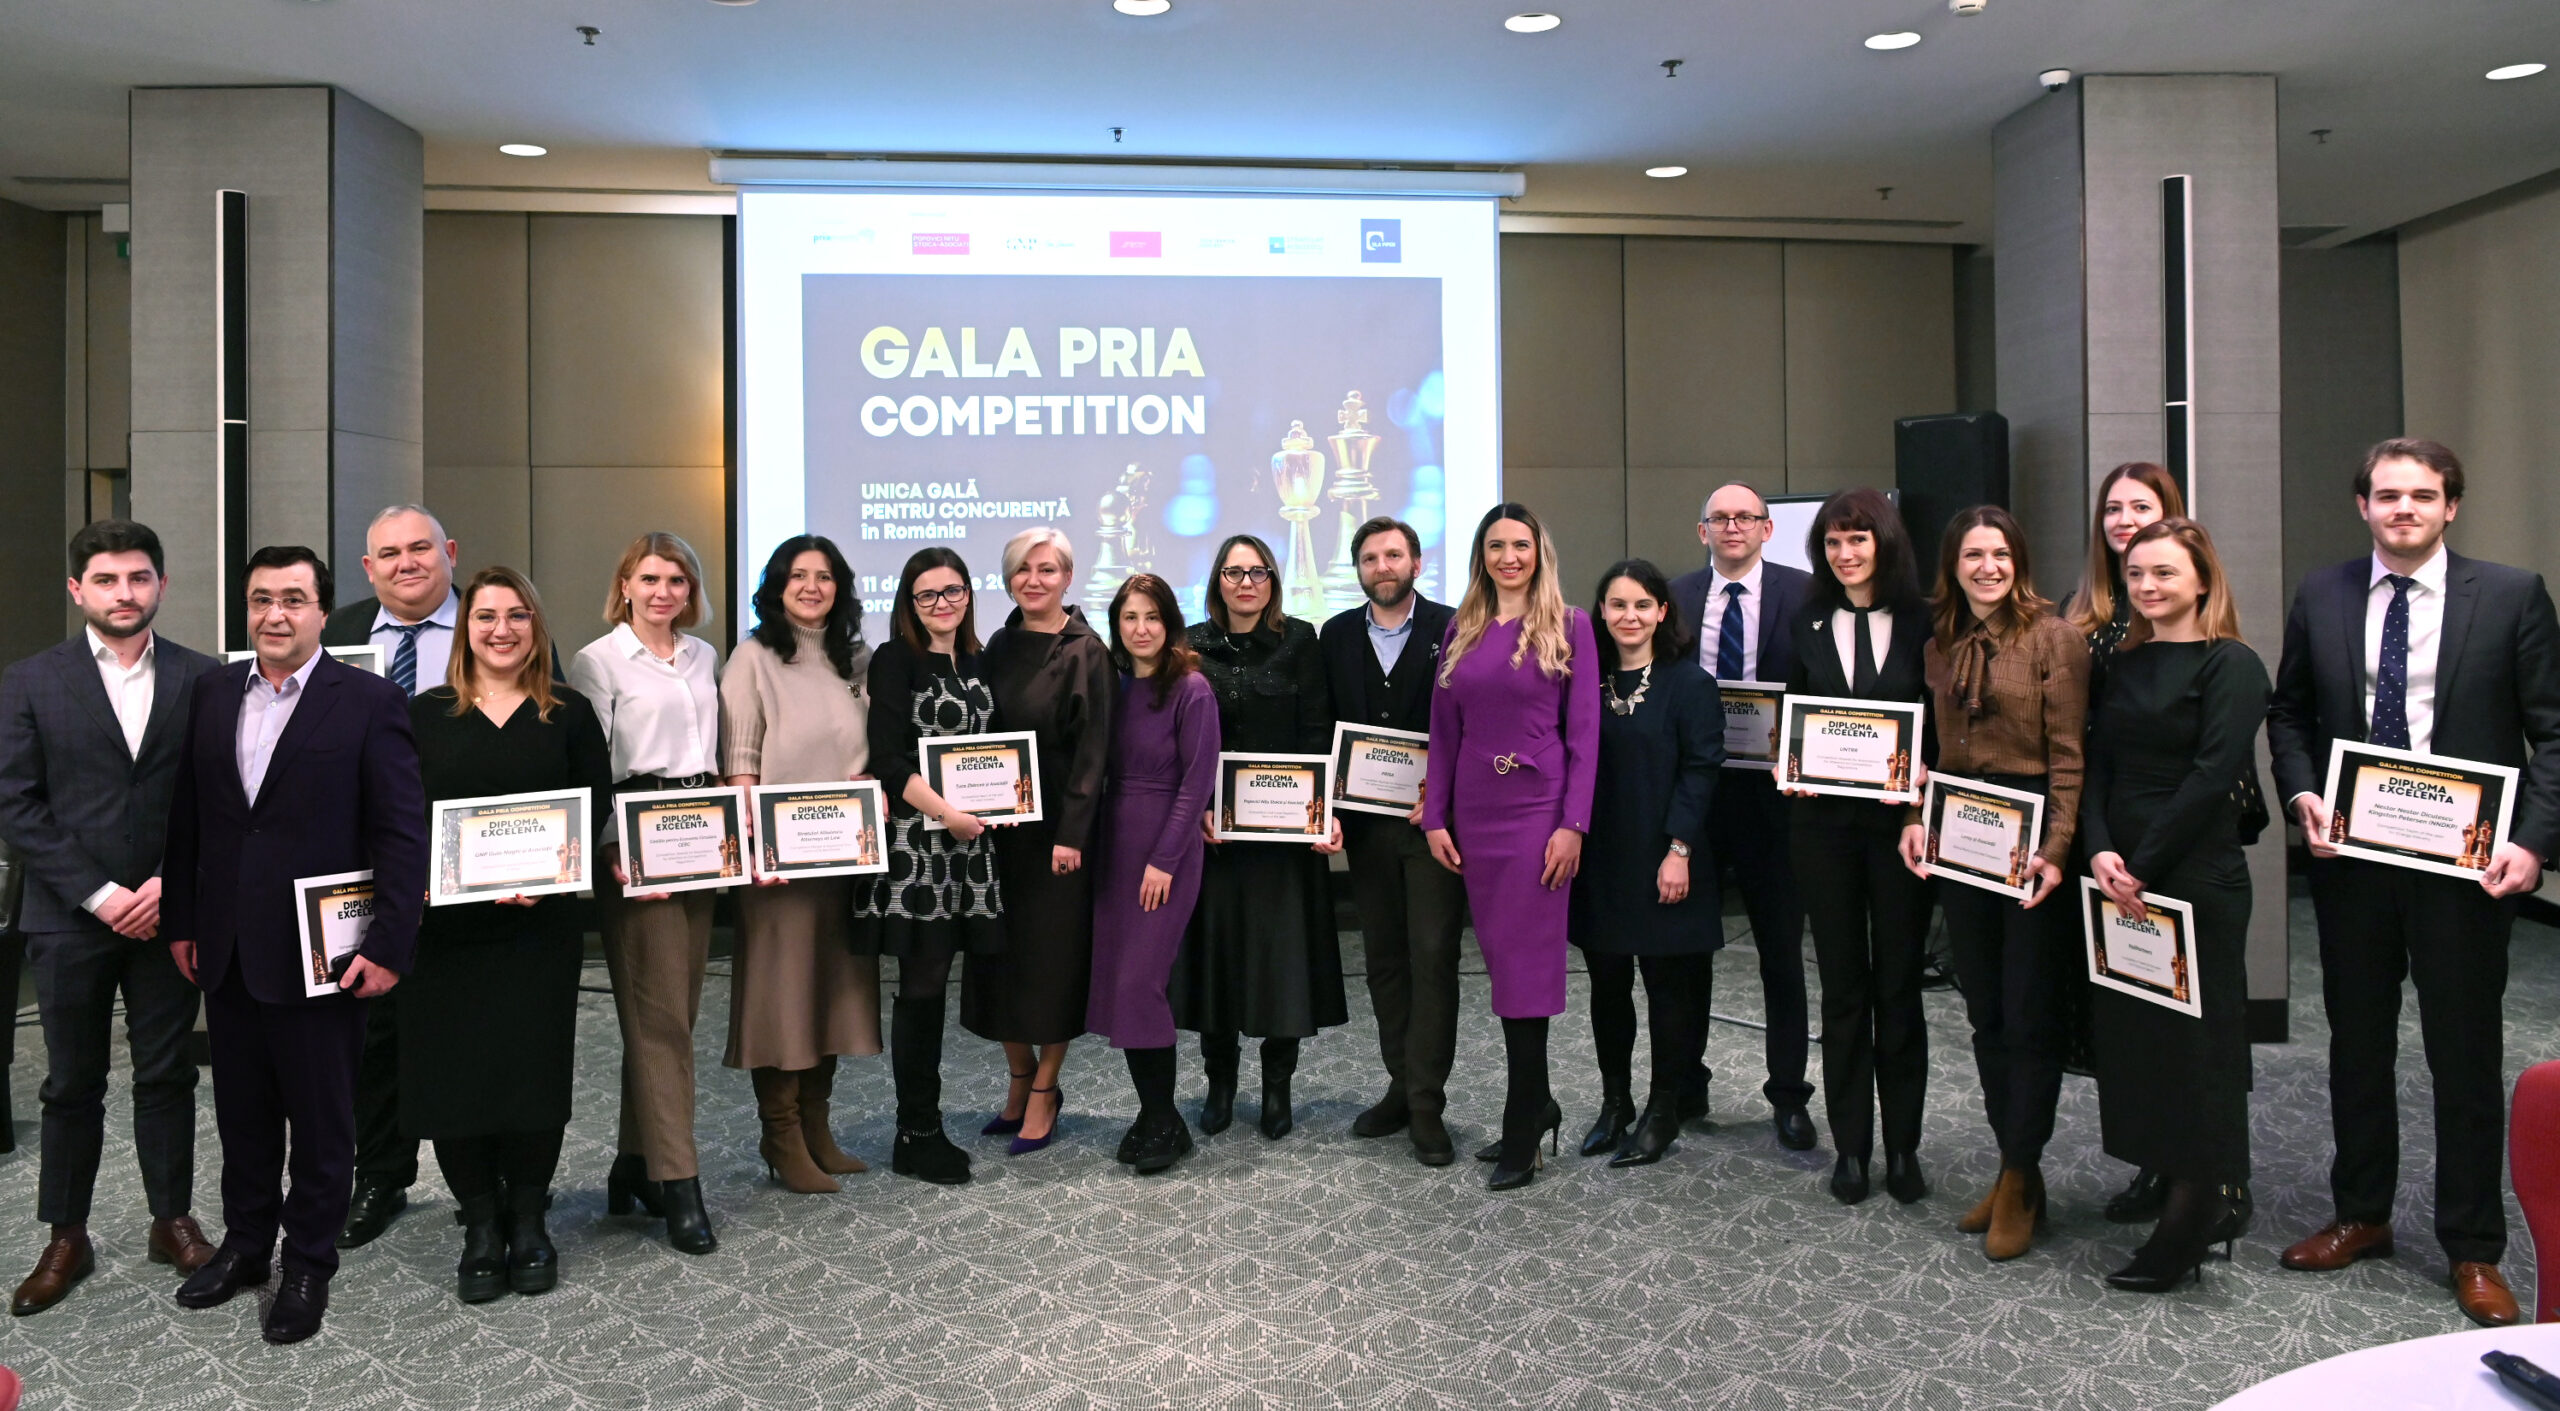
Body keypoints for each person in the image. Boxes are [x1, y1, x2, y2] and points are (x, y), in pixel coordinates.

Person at [2268, 438, 2560, 1327]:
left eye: (2422, 495)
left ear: (2450, 506)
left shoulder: (2510, 595)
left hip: (2465, 873)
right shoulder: (2322, 592)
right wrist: (2303, 793)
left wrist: (2534, 842)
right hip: (2354, 865)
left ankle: (2473, 1245)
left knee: (2462, 1055)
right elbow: (2289, 713)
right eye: (2388, 494)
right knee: (2357, 1045)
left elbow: (2554, 731)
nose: (2404, 508)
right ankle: (2362, 1213)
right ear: (2363, 505)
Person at [162, 545, 426, 1345]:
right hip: (227, 948)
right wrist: (181, 920)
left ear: (322, 611)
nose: (274, 614)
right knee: (242, 1115)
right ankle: (247, 1245)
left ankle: (308, 1261)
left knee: (320, 1122)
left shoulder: (370, 700)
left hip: (323, 956)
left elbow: (401, 831)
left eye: (292, 599)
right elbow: (190, 818)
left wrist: (390, 943)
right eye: (261, 599)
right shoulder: (213, 692)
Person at [0, 521, 220, 1316]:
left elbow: (222, 793)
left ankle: (171, 1220)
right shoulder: (30, 680)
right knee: (71, 1082)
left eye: (137, 577)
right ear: (77, 589)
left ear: (161, 583)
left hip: (169, 913)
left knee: (168, 1073)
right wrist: (98, 893)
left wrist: (168, 882)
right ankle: (67, 1234)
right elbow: (15, 803)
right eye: (105, 579)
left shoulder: (205, 677)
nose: (123, 593)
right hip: (68, 917)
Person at [402, 568, 610, 1302]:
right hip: (449, 933)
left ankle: (528, 1217)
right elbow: (399, 814)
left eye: (517, 615)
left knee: (533, 1074)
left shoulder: (569, 712)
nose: (501, 629)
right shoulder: (424, 714)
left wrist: (551, 874)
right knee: (456, 1077)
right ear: (465, 628)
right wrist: (428, 879)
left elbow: (594, 804)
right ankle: (481, 1224)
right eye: (485, 615)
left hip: (538, 928)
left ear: (536, 625)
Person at [2079, 517, 2267, 1292]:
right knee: (2146, 1044)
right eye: (2136, 574)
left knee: (2201, 1052)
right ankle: (2170, 1181)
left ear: (2202, 579)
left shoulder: (2233, 663)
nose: (2148, 586)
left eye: (2164, 572)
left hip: (2193, 879)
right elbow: (2095, 764)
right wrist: (2099, 850)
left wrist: (2143, 864)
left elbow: (2213, 774)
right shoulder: (2123, 661)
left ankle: (2202, 1209)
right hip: (2121, 879)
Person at [1901, 507, 2088, 1259]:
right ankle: (2016, 1169)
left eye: (2001, 554)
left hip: (2031, 836)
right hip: (1961, 835)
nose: (1988, 567)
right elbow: (1929, 746)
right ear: (1953, 565)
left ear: (2020, 561)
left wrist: (2059, 847)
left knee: (2029, 1012)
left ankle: (2019, 1173)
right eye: (1973, 555)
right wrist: (1915, 815)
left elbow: (2070, 753)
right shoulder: (1940, 642)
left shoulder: (2054, 637)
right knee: (1984, 1012)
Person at [1423, 503, 1600, 1192]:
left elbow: (1584, 735)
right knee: (1502, 965)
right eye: (1495, 546)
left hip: (1537, 814)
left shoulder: (1570, 625)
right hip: (1475, 813)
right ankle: (1539, 1100)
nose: (1509, 557)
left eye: (1520, 545)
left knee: (1525, 970)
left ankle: (1522, 1122)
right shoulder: (1461, 627)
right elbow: (1443, 731)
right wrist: (1435, 816)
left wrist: (1573, 824)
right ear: (1482, 556)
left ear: (1539, 551)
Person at [568, 532, 723, 1254]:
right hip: (635, 838)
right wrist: (610, 845)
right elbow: (590, 763)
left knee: (673, 1011)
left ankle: (633, 1164)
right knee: (661, 1019)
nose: (664, 592)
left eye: (677, 580)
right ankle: (680, 1181)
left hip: (701, 832)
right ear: (625, 584)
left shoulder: (704, 656)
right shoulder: (598, 660)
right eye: (651, 578)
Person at [1782, 487, 1934, 1207]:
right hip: (1823, 832)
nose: (1845, 553)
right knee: (1843, 989)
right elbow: (1793, 710)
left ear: (1885, 542)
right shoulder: (1805, 619)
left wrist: (1921, 799)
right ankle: (1851, 1146)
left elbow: (1937, 724)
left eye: (1858, 539)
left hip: (1902, 830)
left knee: (1899, 987)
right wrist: (1791, 762)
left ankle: (1903, 1145)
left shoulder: (1925, 620)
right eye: (1834, 541)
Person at [1170, 534, 1348, 1140]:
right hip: (1215, 839)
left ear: (1273, 580)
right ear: (1217, 581)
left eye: (1258, 572)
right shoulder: (1189, 646)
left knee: (1281, 965)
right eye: (1233, 572)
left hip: (1286, 840)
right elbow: (1178, 740)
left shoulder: (1300, 641)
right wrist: (1196, 810)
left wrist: (1324, 811)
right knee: (1216, 962)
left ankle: (1277, 1087)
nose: (1246, 583)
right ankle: (1220, 1083)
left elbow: (1318, 731)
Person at [718, 535, 879, 1194]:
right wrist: (756, 848)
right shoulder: (752, 658)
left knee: (831, 991)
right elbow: (740, 762)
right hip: (778, 865)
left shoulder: (856, 660)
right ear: (777, 586)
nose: (812, 587)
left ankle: (817, 1126)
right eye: (798, 576)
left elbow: (869, 750)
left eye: (824, 576)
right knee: (781, 996)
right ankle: (780, 1133)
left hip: (843, 858)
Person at [326, 504, 461, 1251]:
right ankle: (379, 1174)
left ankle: (479, 1176)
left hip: (472, 860)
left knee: (470, 1021)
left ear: (449, 552)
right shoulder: (335, 632)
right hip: (364, 861)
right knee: (373, 1030)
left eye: (420, 548)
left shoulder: (497, 621)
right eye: (389, 553)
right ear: (368, 567)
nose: (407, 563)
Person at [1668, 482, 1818, 1151]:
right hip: (1697, 796)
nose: (1733, 527)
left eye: (1746, 517)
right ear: (1703, 531)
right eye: (1720, 518)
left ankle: (1788, 1094)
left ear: (1767, 528)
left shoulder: (1807, 595)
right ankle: (1685, 1081)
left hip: (1775, 799)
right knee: (1688, 949)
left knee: (1781, 952)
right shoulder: (1675, 598)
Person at [2061, 462, 2189, 1225]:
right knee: (2124, 1011)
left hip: (2169, 841)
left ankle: (2202, 1174)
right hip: (2097, 833)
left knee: (2180, 1015)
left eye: (2142, 505)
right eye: (2113, 507)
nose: (2124, 519)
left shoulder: (2185, 616)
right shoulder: (2081, 616)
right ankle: (2150, 1159)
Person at [857, 548, 1006, 1186]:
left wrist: (1003, 803)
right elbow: (888, 759)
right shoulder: (896, 659)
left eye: (953, 591)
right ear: (909, 604)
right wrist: (949, 813)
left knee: (942, 980)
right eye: (927, 595)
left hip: (970, 847)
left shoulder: (979, 659)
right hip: (919, 846)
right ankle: (915, 1131)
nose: (942, 604)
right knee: (921, 985)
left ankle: (927, 1124)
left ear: (969, 594)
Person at [1318, 517, 1464, 1166]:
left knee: (1432, 956)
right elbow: (1323, 727)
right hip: (1366, 827)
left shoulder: (1454, 628)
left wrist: (1447, 795)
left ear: (1416, 562)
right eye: (1371, 557)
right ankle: (1401, 1086)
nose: (1383, 566)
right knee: (1382, 959)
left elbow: (1469, 722)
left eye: (1394, 555)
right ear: (1358, 569)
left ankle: (1427, 1102)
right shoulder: (1335, 634)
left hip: (1433, 826)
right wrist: (1323, 807)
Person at [965, 527, 1115, 1156]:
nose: (1034, 580)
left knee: (1053, 965)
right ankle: (1019, 1075)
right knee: (999, 960)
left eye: (1047, 570)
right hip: (997, 835)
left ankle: (1046, 1088)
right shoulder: (997, 645)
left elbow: (1094, 751)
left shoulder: (1087, 651)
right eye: (1023, 570)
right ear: (1008, 580)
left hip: (1058, 837)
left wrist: (1072, 834)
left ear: (1067, 578)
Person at [1569, 559, 1722, 1168]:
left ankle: (1663, 1110)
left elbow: (1701, 770)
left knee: (1668, 991)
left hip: (1667, 859)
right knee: (1607, 987)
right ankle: (1616, 1104)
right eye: (1617, 605)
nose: (1628, 616)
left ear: (1662, 611)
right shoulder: (1584, 681)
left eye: (1640, 605)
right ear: (1601, 613)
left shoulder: (1690, 683)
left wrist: (1679, 849)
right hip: (1601, 860)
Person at [1086, 574, 1219, 1174]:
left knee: (1141, 984)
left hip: (1164, 852)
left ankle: (1163, 1118)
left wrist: (1164, 859)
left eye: (1152, 617)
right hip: (1114, 847)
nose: (1140, 629)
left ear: (1170, 623)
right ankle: (1154, 1114)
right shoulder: (1111, 686)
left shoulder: (1192, 689)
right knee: (1122, 986)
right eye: (1129, 617)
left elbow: (1197, 783)